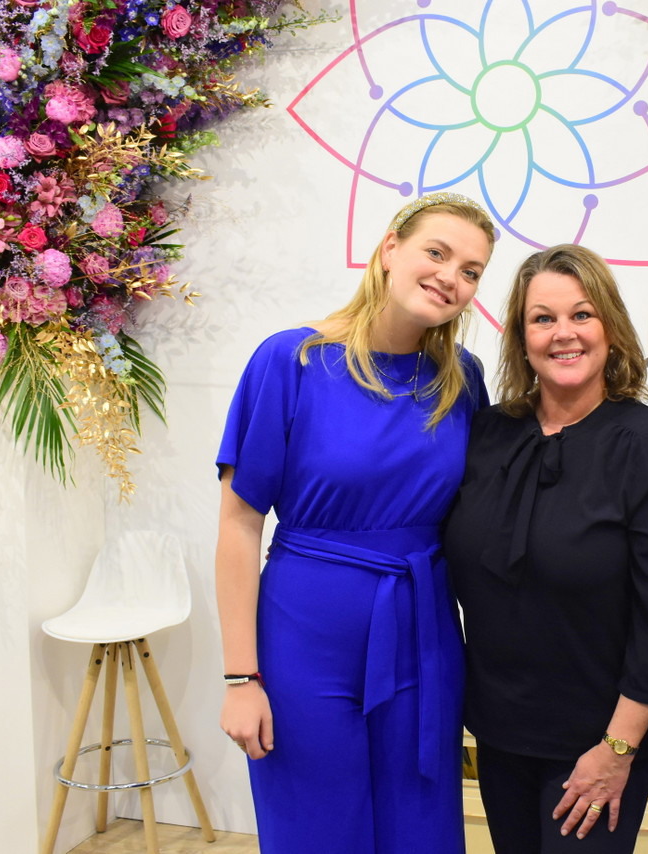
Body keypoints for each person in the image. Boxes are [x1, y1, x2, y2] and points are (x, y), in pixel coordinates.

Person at [214, 192, 496, 854]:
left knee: (420, 829)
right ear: (390, 247)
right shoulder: (292, 360)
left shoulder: (463, 379)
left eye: (471, 271)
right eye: (436, 253)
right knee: (316, 828)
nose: (450, 277)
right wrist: (240, 678)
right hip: (304, 636)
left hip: (424, 633)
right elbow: (238, 524)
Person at [442, 243, 648, 854]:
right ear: (520, 336)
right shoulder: (487, 432)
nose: (564, 333)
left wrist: (617, 748)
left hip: (600, 739)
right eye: (543, 318)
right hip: (500, 729)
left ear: (610, 327)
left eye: (582, 315)